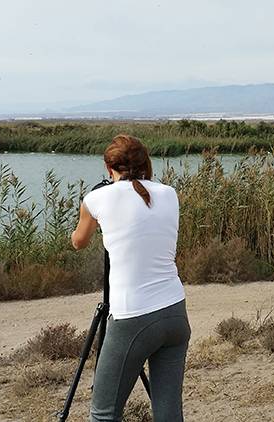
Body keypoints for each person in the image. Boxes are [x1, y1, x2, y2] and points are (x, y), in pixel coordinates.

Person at [71, 134, 191, 422]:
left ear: (108, 167)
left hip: (132, 317)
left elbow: (79, 241)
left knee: (103, 414)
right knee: (168, 412)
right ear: (145, 163)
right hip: (174, 312)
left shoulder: (96, 198)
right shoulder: (169, 193)